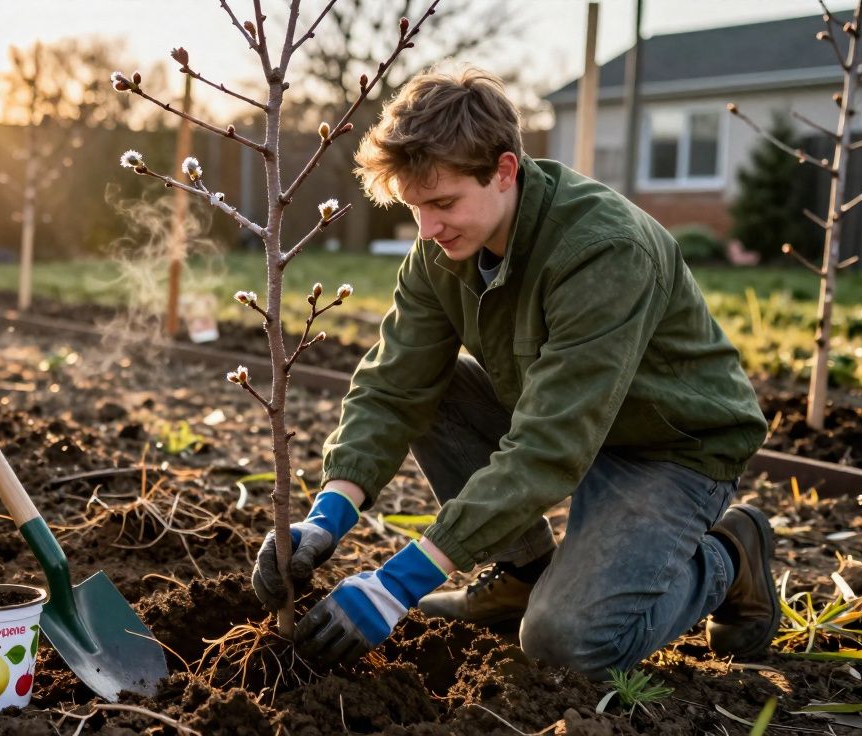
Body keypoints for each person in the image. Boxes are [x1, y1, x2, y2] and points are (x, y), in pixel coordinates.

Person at [250, 67, 777, 679]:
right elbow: (393, 386)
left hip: (669, 446)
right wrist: (326, 517)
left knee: (565, 643)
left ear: (504, 170)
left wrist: (401, 583)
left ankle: (729, 556)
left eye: (443, 203)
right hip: (564, 419)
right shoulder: (441, 251)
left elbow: (553, 444)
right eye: (415, 206)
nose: (427, 229)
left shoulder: (602, 250)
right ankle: (525, 575)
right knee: (433, 385)